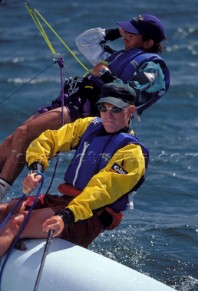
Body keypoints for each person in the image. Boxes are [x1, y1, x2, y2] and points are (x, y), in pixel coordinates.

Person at [0, 13, 170, 203]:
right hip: (71, 102)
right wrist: (117, 32)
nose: (126, 35)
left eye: (132, 33)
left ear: (148, 43)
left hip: (88, 111)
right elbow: (85, 41)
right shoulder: (117, 56)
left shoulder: (153, 66)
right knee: (11, 141)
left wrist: (105, 75)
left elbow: (134, 94)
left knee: (24, 134)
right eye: (126, 31)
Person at [0, 82, 149, 257]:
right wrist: (36, 169)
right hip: (64, 201)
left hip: (87, 216)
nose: (108, 115)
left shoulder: (132, 154)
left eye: (115, 109)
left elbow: (100, 192)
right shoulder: (88, 126)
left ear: (130, 111)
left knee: (16, 223)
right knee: (3, 211)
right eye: (103, 107)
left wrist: (66, 216)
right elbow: (49, 140)